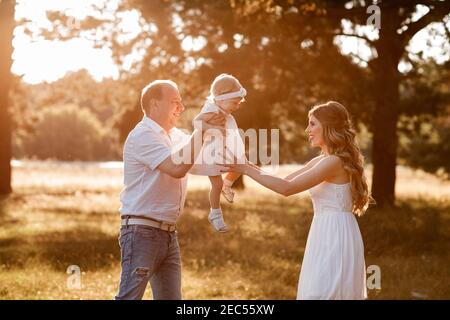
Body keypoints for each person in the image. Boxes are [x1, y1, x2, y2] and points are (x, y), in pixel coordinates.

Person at [220, 101, 373, 299]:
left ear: (328, 126)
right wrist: (246, 164)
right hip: (323, 231)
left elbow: (287, 189)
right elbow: (284, 181)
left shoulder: (334, 163)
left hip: (336, 234)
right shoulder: (321, 160)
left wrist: (245, 169)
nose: (307, 129)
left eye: (312, 123)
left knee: (327, 292)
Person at [115, 80, 226, 300]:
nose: (181, 108)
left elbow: (206, 161)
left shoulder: (176, 137)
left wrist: (219, 121)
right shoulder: (143, 135)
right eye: (175, 102)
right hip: (141, 233)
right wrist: (200, 130)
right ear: (155, 105)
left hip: (168, 234)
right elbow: (177, 168)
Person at [190, 74, 247, 232]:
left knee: (241, 163)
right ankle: (215, 214)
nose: (236, 107)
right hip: (212, 152)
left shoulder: (224, 110)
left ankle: (227, 185)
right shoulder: (212, 110)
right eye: (234, 103)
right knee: (216, 183)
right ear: (221, 98)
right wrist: (212, 128)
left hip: (225, 147)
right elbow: (196, 122)